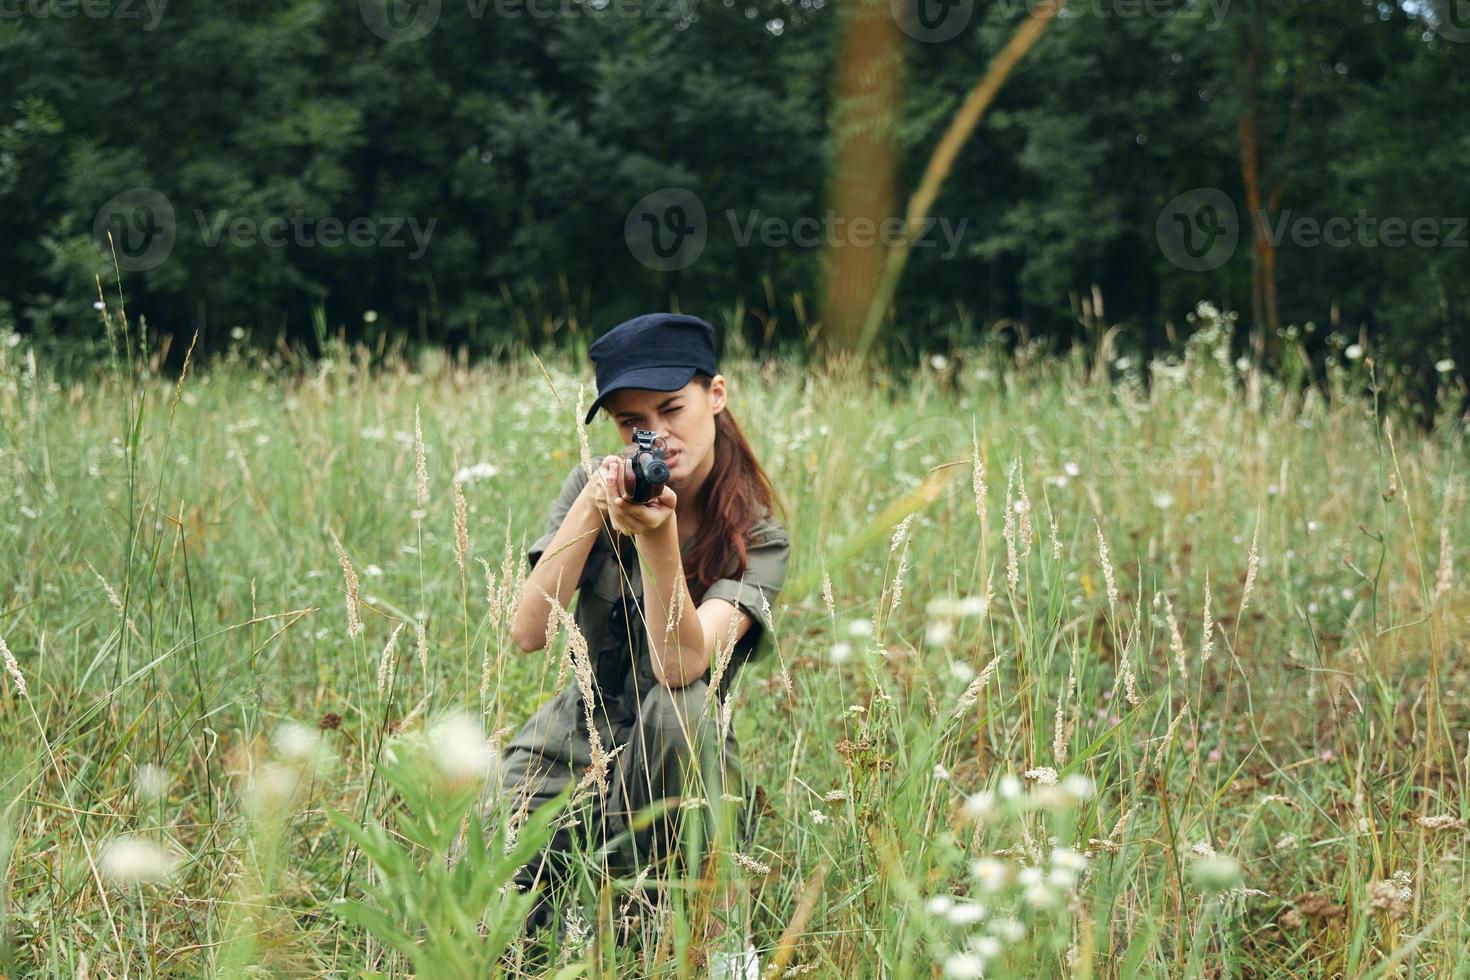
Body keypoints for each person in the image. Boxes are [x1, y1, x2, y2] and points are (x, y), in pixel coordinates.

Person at [495, 313, 790, 976]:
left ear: (716, 396)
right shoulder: (596, 489)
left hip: (682, 759)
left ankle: (705, 923)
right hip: (578, 732)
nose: (655, 434)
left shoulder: (760, 537)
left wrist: (655, 540)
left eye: (671, 408)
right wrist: (594, 505)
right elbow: (525, 632)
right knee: (497, 917)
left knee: (679, 707)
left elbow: (681, 666)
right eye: (632, 422)